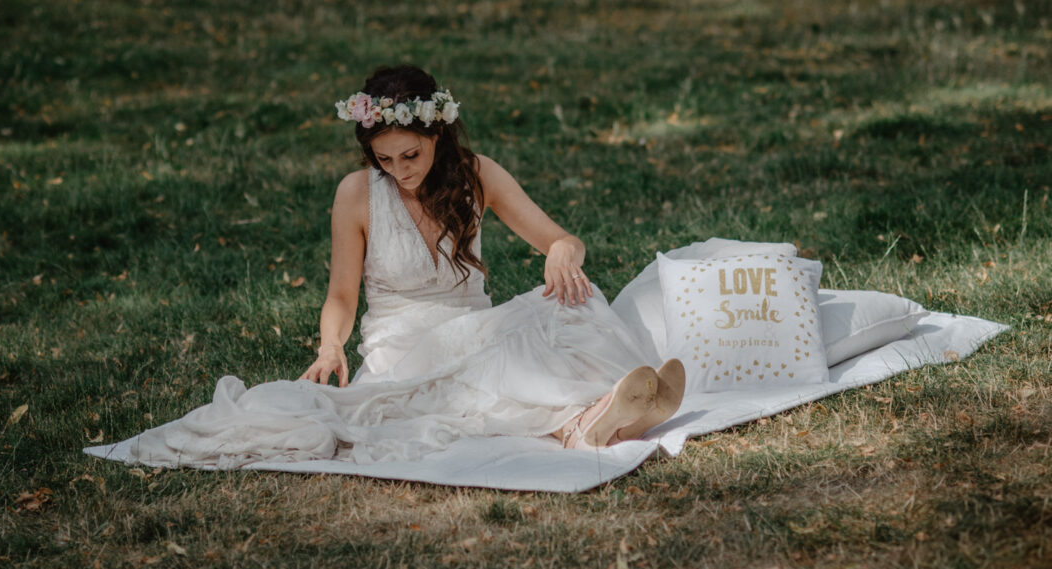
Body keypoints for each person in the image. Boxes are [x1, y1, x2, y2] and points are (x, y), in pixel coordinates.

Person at [118, 66, 684, 468]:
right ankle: (591, 419)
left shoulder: (476, 173)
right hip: (403, 350)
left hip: (473, 330)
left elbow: (561, 239)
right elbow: (342, 293)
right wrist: (329, 345)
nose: (400, 169)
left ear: (436, 132)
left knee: (574, 297)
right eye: (383, 159)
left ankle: (602, 415)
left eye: (410, 154)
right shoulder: (356, 194)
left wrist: (563, 252)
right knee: (491, 376)